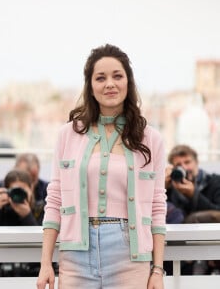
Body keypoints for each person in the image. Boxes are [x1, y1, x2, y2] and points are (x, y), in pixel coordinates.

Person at [37, 44, 167, 289]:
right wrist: (45, 263)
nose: (110, 84)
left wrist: (157, 270)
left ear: (128, 82)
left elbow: (157, 205)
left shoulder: (150, 138)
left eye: (117, 76)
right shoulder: (68, 134)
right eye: (101, 78)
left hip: (129, 255)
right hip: (75, 255)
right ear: (90, 86)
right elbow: (54, 199)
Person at [0, 169, 39, 277]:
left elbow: (41, 244)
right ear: (7, 192)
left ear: (31, 189)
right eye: (14, 191)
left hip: (33, 274)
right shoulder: (0, 211)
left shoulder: (41, 210)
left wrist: (27, 216)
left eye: (22, 191)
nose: (18, 196)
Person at [0, 153, 48, 225]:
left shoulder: (46, 192)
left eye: (33, 179)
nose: (24, 177)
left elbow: (44, 233)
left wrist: (27, 215)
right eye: (15, 190)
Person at [166, 144, 220, 222]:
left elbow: (217, 213)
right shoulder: (171, 185)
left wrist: (193, 194)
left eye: (187, 162)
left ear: (196, 162)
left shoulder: (215, 181)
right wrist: (163, 187)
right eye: (178, 165)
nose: (184, 168)